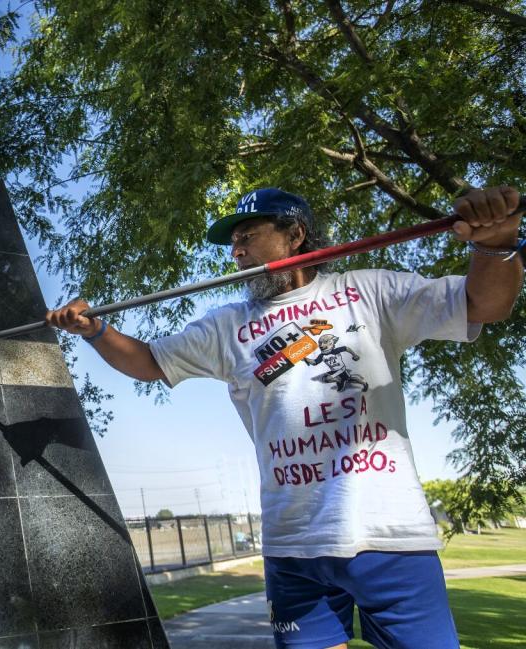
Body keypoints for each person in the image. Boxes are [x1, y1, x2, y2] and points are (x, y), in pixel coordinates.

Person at [46, 186, 523, 649]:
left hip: (390, 535)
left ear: (295, 235)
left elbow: (484, 304)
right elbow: (148, 362)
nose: (236, 252)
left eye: (246, 237)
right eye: (232, 243)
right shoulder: (225, 324)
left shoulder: (370, 291)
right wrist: (96, 330)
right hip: (291, 545)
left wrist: (494, 245)